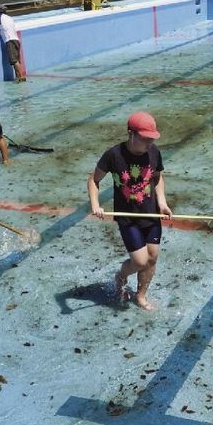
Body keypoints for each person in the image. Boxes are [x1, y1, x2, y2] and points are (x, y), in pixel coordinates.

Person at [87, 112, 172, 311]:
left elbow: (157, 177)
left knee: (152, 258)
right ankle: (121, 275)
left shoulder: (154, 152)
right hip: (128, 218)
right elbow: (94, 180)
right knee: (140, 261)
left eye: (151, 139)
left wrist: (162, 203)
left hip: (151, 214)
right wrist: (95, 204)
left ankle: (140, 296)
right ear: (130, 134)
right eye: (145, 139)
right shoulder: (113, 155)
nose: (149, 143)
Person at [0, 5, 25, 82]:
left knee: (14, 61)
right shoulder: (9, 18)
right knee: (17, 60)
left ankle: (20, 77)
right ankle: (20, 76)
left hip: (10, 41)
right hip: (16, 40)